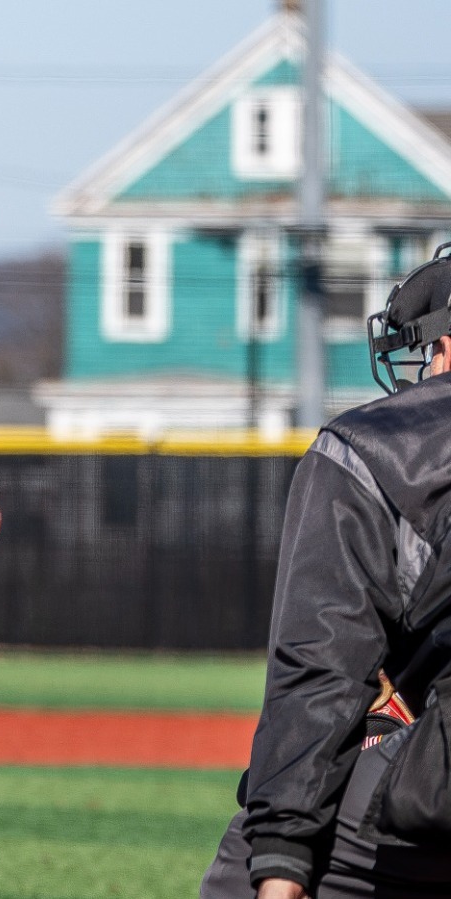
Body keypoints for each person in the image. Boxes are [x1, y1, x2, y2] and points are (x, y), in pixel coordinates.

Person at [199, 246, 451, 899]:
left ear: (445, 346)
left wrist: (282, 854)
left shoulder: (378, 444)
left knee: (259, 856)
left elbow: (321, 669)